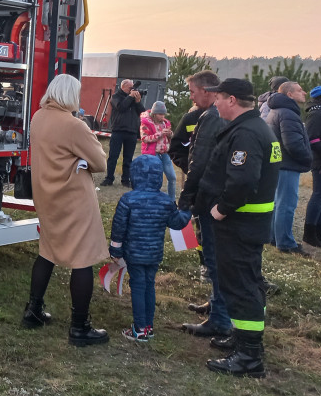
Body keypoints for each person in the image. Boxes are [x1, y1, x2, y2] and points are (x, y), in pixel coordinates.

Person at [21, 73, 110, 346]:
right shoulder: (74, 125)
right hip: (73, 199)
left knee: (47, 252)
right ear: (71, 95)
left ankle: (33, 310)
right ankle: (80, 327)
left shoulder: (38, 117)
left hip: (47, 196)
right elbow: (101, 163)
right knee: (82, 258)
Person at [200, 78, 280, 377]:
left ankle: (249, 356)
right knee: (248, 281)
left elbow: (244, 180)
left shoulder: (246, 133)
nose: (216, 103)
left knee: (241, 285)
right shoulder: (257, 128)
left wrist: (221, 210)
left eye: (218, 98)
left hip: (240, 222)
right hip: (250, 223)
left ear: (231, 100)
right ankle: (243, 339)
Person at [109, 155, 192, 341]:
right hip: (154, 254)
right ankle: (148, 327)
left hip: (134, 254)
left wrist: (115, 250)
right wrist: (187, 209)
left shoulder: (127, 200)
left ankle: (138, 328)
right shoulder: (165, 201)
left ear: (134, 175)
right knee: (149, 286)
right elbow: (177, 223)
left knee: (138, 286)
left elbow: (118, 227)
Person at [178, 70, 232, 338]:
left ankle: (219, 318)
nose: (191, 97)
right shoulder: (216, 116)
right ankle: (216, 303)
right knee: (215, 256)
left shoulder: (211, 118)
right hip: (217, 196)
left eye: (192, 92)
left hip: (209, 198)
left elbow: (198, 162)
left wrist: (186, 197)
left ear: (208, 92)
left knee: (213, 257)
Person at [264, 81, 312, 255]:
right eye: (300, 90)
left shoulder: (276, 111)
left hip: (279, 164)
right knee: (286, 204)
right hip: (288, 165)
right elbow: (292, 143)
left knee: (278, 203)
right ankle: (285, 243)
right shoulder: (288, 114)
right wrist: (308, 157)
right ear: (290, 94)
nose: (304, 92)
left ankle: (274, 237)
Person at [101, 79, 144, 187]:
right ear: (123, 87)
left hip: (132, 132)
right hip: (118, 131)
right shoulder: (116, 97)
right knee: (113, 156)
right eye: (130, 88)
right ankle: (109, 178)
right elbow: (121, 107)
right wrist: (130, 97)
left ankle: (125, 180)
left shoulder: (134, 99)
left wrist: (138, 102)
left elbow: (142, 113)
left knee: (128, 158)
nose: (132, 90)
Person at [140, 100, 176, 199]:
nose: (163, 117)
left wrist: (170, 134)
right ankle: (154, 200)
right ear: (154, 114)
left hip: (165, 153)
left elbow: (170, 137)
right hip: (152, 154)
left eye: (164, 114)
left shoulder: (166, 123)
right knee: (156, 179)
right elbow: (145, 138)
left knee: (172, 177)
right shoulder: (145, 123)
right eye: (160, 114)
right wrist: (160, 134)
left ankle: (172, 201)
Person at [304, 85, 321, 247]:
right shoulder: (317, 114)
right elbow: (312, 139)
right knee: (318, 196)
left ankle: (318, 231)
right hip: (320, 161)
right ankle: (309, 233)